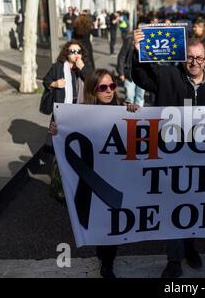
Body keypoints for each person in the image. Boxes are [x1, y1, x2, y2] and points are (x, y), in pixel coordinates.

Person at [131, 29, 205, 278]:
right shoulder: (168, 76)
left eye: (199, 58)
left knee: (196, 206)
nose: (194, 63)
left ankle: (190, 246)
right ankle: (174, 259)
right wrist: (137, 51)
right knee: (174, 206)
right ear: (183, 57)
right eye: (189, 57)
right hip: (172, 156)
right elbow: (142, 78)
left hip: (204, 159)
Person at [48, 68, 139, 278]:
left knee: (113, 222)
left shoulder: (123, 110)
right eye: (103, 87)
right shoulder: (79, 114)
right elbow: (62, 138)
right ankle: (102, 253)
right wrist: (55, 131)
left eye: (112, 86)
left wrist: (137, 112)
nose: (109, 91)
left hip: (115, 178)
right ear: (92, 90)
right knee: (98, 220)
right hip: (91, 179)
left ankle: (108, 264)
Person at [42, 40, 93, 107]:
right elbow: (46, 81)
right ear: (67, 53)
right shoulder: (58, 67)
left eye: (79, 52)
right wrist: (55, 84)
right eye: (72, 52)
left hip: (81, 105)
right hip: (62, 105)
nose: (76, 54)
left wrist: (82, 68)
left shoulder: (85, 66)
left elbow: (92, 82)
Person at [117, 32, 145, 106]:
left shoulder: (147, 42)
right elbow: (122, 56)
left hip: (142, 75)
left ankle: (139, 115)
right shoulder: (129, 40)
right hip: (130, 74)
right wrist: (121, 72)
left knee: (140, 97)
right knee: (129, 97)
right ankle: (130, 115)